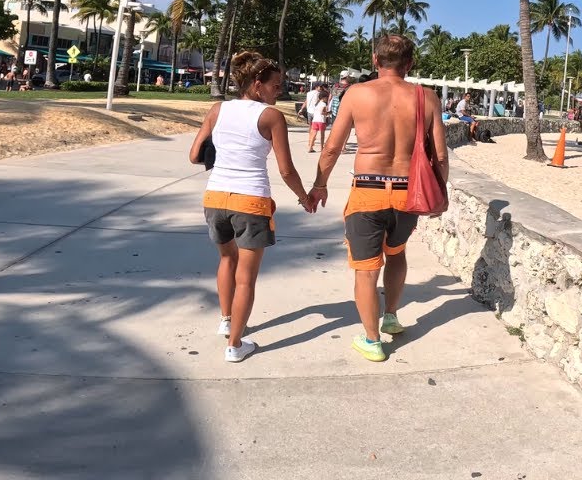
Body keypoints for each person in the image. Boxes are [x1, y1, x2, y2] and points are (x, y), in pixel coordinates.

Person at [308, 35, 449, 362]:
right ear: (410, 63)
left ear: (375, 60)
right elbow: (440, 156)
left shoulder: (357, 94)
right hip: (406, 193)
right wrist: (440, 196)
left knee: (366, 271)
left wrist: (319, 184)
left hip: (368, 192)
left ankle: (372, 341)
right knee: (396, 253)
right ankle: (391, 316)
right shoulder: (426, 97)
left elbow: (332, 147)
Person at [190, 51, 312, 363]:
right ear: (257, 85)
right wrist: (304, 197)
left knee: (226, 260)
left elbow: (194, 155)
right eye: (275, 85)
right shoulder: (270, 117)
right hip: (251, 201)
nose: (279, 90)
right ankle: (235, 345)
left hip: (215, 197)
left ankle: (226, 319)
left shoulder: (218, 110)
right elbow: (286, 170)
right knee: (246, 277)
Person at [307, 88, 329, 153]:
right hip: (321, 121)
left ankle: (310, 147)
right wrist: (328, 113)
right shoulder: (324, 104)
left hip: (315, 120)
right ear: (324, 97)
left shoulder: (317, 103)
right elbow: (322, 112)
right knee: (322, 135)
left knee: (313, 134)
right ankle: (322, 148)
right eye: (327, 98)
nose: (327, 99)